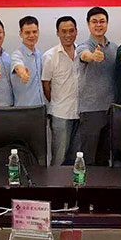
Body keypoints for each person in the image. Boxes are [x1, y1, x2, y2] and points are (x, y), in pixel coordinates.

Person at [74, 7, 117, 166]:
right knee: (88, 158)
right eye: (94, 22)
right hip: (91, 110)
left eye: (102, 21)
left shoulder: (114, 48)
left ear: (107, 23)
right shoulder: (83, 46)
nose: (98, 25)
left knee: (104, 158)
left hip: (111, 109)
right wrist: (93, 56)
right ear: (88, 24)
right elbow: (84, 56)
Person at [42, 16, 79, 165]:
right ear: (57, 33)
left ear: (76, 31)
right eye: (64, 31)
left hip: (80, 113)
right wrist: (57, 102)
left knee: (76, 158)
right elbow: (46, 85)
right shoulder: (50, 56)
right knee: (59, 158)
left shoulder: (82, 53)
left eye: (71, 31)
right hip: (60, 114)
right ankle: (55, 181)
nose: (68, 35)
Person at [10, 16, 45, 106]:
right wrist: (23, 74)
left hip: (40, 106)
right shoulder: (17, 55)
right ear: (21, 34)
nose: (32, 35)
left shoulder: (38, 54)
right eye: (27, 33)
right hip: (24, 108)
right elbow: (18, 66)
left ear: (38, 32)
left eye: (34, 32)